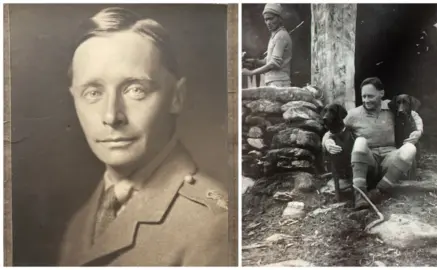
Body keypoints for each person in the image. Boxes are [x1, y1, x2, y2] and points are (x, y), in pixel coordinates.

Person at [58, 7, 230, 266]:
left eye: (135, 89)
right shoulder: (79, 224)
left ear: (176, 97)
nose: (111, 116)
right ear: (74, 99)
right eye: (93, 93)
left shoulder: (213, 223)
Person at [322, 77, 423, 210]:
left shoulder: (392, 107)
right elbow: (331, 130)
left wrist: (418, 132)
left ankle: (379, 191)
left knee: (410, 148)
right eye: (363, 96)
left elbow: (414, 115)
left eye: (370, 96)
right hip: (368, 161)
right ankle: (360, 194)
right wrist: (327, 142)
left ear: (381, 94)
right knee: (360, 141)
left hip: (390, 159)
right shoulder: (354, 114)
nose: (366, 100)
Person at [242, 3, 292, 87]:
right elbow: (268, 61)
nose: (268, 22)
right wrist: (255, 62)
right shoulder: (275, 36)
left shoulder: (281, 36)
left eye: (271, 18)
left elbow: (274, 63)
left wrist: (251, 73)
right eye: (266, 20)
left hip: (279, 82)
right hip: (274, 81)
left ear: (279, 18)